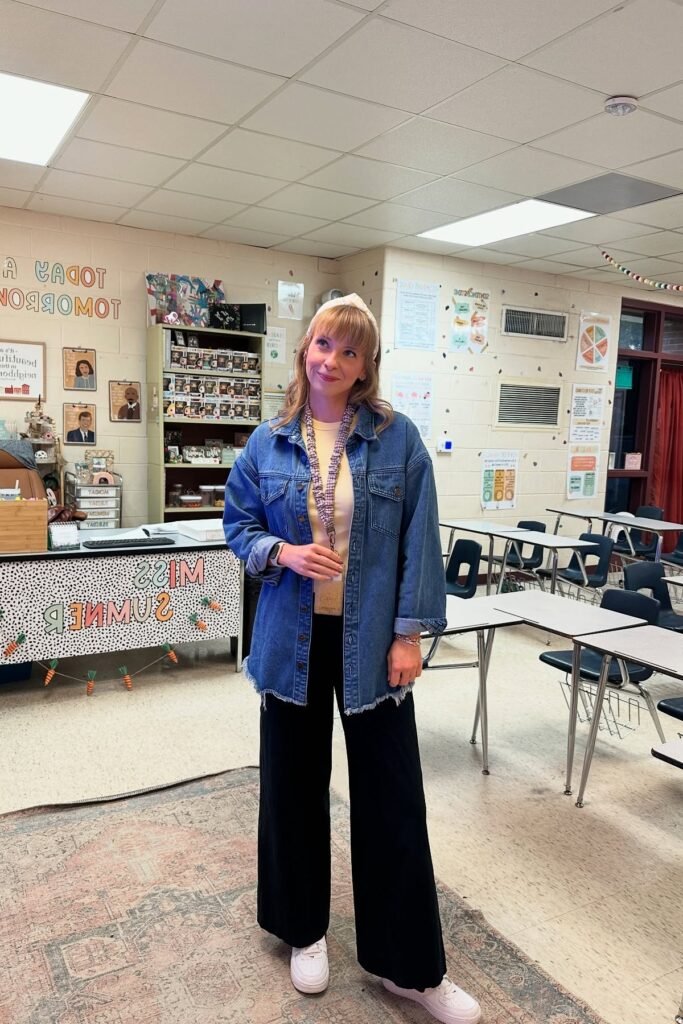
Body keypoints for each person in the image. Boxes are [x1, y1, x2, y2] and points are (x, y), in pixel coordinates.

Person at [223, 294, 482, 1024]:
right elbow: (237, 524)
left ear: (365, 365)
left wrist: (408, 635)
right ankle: (302, 930)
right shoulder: (267, 442)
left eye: (347, 350)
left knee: (392, 800)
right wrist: (278, 551)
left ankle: (409, 968)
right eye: (320, 344)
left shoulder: (397, 440)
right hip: (290, 643)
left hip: (373, 645)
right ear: (304, 347)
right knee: (293, 790)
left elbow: (416, 542)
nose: (329, 360)